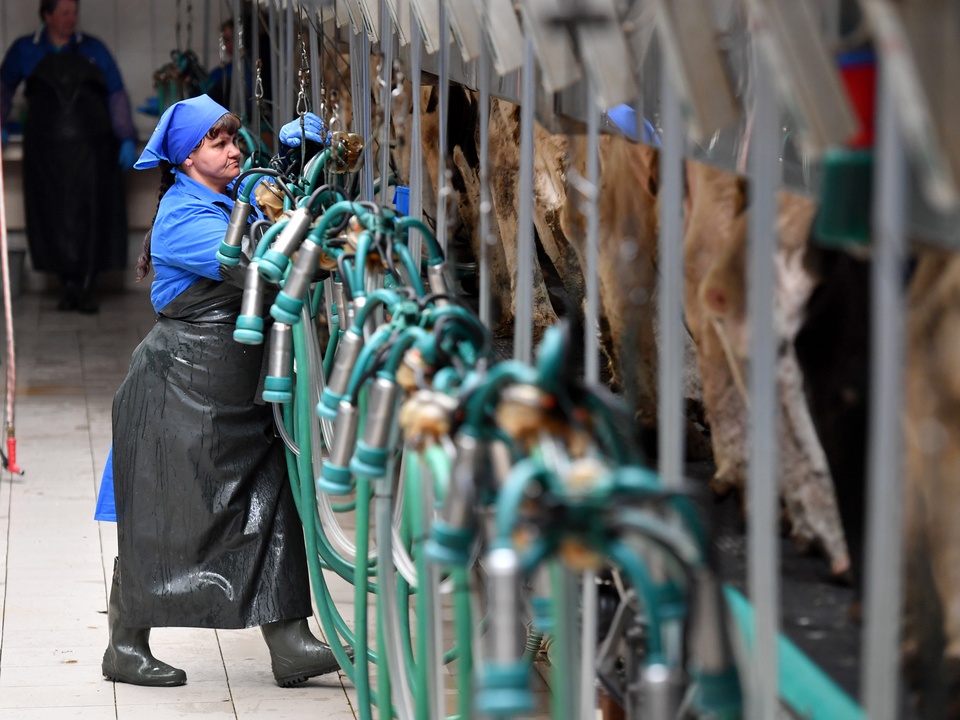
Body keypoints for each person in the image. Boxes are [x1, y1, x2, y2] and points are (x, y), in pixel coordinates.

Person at [100, 94, 342, 688]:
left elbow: (266, 214)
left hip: (234, 389)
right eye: (218, 143)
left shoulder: (228, 196)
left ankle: (288, 640)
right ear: (186, 157)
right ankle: (124, 646)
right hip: (179, 389)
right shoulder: (185, 217)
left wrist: (299, 166)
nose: (235, 151)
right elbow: (257, 259)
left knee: (271, 503)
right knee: (166, 515)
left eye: (236, 140)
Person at [0, 0, 138, 313]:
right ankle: (68, 287)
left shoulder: (94, 49)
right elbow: (4, 89)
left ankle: (87, 287)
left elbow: (116, 94)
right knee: (51, 219)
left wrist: (126, 137)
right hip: (45, 156)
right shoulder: (26, 50)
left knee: (92, 217)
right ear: (47, 15)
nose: (71, 18)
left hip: (93, 153)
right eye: (64, 12)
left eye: (74, 12)